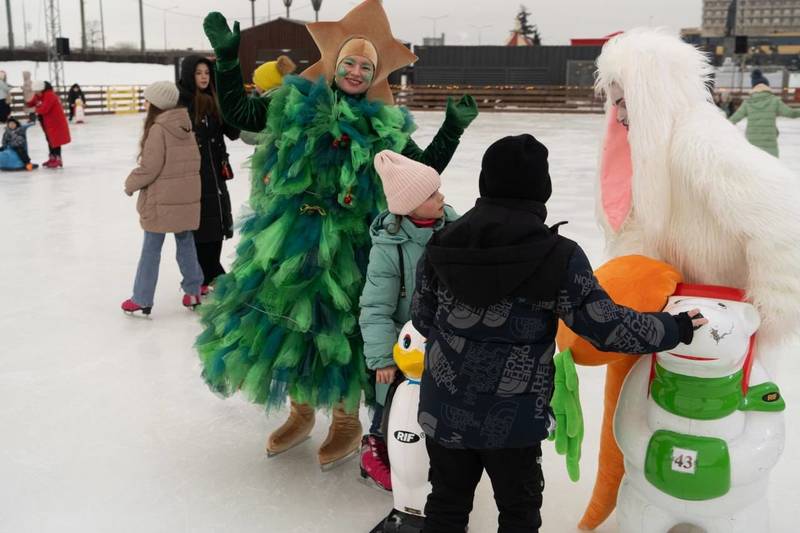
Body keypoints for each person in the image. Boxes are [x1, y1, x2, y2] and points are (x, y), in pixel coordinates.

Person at [195, 0, 478, 470]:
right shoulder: (293, 103)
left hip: (352, 243)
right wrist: (228, 60)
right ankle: (301, 411)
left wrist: (451, 130)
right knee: (286, 323)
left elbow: (420, 175)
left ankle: (346, 420)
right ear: (333, 62)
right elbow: (242, 112)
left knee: (342, 329)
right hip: (288, 237)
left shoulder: (382, 124)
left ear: (375, 76)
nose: (356, 70)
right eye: (349, 61)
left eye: (366, 66)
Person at [411, 134, 707, 533]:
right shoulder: (557, 255)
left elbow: (423, 317)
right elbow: (606, 328)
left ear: (485, 181)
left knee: (446, 504)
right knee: (518, 512)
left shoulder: (442, 242)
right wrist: (673, 327)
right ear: (541, 188)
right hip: (513, 420)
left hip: (442, 409)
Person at [358, 151, 458, 491]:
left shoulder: (457, 230)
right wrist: (384, 358)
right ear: (411, 205)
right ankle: (375, 445)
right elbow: (374, 307)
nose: (442, 197)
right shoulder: (389, 247)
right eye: (432, 195)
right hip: (406, 344)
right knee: (394, 399)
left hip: (448, 338)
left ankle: (433, 457)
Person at [120, 81, 204, 316]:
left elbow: (150, 168)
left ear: (156, 103)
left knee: (151, 249)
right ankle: (193, 292)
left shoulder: (159, 129)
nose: (146, 103)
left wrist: (130, 184)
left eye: (148, 99)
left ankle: (142, 298)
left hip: (162, 201)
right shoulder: (185, 125)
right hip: (186, 198)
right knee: (186, 245)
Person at [177, 55, 240, 294]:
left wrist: (226, 102)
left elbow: (233, 132)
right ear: (189, 75)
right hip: (192, 175)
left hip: (215, 174)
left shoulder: (213, 100)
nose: (204, 77)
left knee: (218, 223)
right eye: (198, 73)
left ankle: (210, 273)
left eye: (207, 73)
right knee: (201, 226)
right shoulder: (182, 103)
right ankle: (208, 274)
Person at [729, 69, 800, 157]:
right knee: (771, 167)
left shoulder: (748, 103)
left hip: (753, 143)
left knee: (754, 167)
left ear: (753, 87)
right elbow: (791, 113)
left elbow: (732, 120)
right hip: (770, 143)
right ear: (767, 87)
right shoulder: (774, 101)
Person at [239, 55, 297, 146]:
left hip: (270, 153)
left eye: (256, 82)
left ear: (266, 83)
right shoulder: (290, 97)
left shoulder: (267, 104)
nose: (255, 86)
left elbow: (247, 135)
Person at [27, 81, 71, 168]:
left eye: (37, 91)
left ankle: (58, 159)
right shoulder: (38, 95)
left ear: (42, 89)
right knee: (49, 140)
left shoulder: (49, 95)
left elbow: (44, 109)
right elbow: (31, 103)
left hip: (55, 122)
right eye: (35, 91)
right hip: (46, 122)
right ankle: (52, 158)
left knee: (55, 141)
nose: (36, 93)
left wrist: (36, 109)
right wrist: (28, 99)